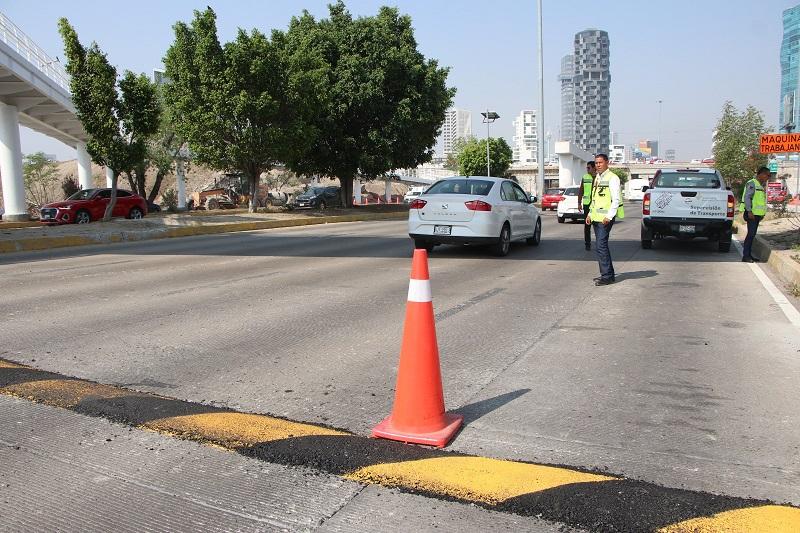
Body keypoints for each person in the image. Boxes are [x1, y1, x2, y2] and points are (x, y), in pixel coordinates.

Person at [585, 154, 624, 285]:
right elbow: (594, 198)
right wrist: (589, 214)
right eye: (596, 163)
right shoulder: (597, 177)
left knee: (601, 246)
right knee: (601, 246)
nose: (598, 165)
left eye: (600, 162)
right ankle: (609, 274)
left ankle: (606, 276)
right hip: (596, 217)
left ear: (607, 162)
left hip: (605, 219)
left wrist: (609, 216)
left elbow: (616, 199)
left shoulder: (613, 178)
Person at [740, 167, 769, 263]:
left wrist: (762, 214)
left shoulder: (760, 185)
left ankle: (749, 255)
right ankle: (746, 256)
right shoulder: (752, 183)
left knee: (752, 235)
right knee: (751, 234)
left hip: (757, 214)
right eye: (767, 175)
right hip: (751, 214)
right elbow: (747, 197)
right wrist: (749, 211)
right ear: (761, 174)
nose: (768, 177)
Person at [576, 161, 596, 251]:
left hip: (597, 205)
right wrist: (579, 203)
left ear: (594, 168)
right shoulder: (585, 177)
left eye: (589, 168)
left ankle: (600, 243)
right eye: (587, 168)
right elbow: (581, 191)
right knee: (587, 225)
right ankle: (587, 244)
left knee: (597, 225)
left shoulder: (600, 177)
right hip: (587, 204)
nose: (587, 170)